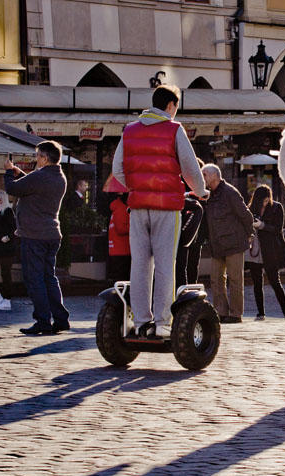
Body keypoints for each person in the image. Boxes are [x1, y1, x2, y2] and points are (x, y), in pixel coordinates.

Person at [111, 84, 209, 338]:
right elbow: (189, 167)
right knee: (166, 263)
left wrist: (137, 186)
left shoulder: (129, 131)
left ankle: (142, 321)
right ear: (170, 106)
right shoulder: (174, 129)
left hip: (138, 207)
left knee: (140, 264)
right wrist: (200, 190)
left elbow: (118, 169)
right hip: (167, 208)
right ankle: (163, 322)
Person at [5, 140, 70, 334]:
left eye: (37, 156)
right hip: (51, 234)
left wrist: (9, 171)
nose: (36, 159)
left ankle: (42, 321)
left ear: (44, 158)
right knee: (49, 277)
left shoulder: (40, 177)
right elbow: (34, 187)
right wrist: (22, 175)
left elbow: (13, 189)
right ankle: (60, 319)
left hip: (35, 236)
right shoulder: (58, 177)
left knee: (35, 279)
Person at [203, 163, 254, 324]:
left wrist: (249, 235)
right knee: (216, 279)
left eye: (204, 174)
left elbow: (246, 215)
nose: (202, 178)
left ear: (214, 176)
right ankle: (221, 311)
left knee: (235, 279)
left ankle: (236, 313)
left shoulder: (230, 192)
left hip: (234, 243)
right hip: (217, 244)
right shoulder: (209, 194)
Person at [245, 184, 285, 321]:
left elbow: (278, 229)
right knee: (257, 282)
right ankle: (261, 313)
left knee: (275, 281)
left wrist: (262, 225)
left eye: (267, 200)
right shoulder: (250, 208)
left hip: (271, 250)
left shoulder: (277, 207)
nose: (265, 203)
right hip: (255, 249)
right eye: (263, 201)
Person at [175, 191, 204, 288]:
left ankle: (187, 295)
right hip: (185, 235)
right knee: (182, 268)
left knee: (185, 267)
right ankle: (186, 296)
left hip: (186, 235)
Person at [107, 193, 131, 281]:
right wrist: (133, 226)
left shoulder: (117, 207)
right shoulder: (121, 209)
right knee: (122, 279)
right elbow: (121, 229)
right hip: (122, 250)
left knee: (119, 279)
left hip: (117, 249)